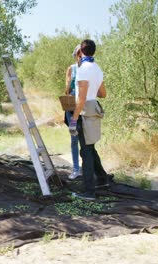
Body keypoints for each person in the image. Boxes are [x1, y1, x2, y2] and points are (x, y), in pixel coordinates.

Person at [68, 39, 110, 201]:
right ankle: (102, 179)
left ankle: (89, 192)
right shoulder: (97, 69)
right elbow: (103, 93)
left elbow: (81, 98)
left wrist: (74, 119)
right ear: (93, 51)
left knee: (85, 151)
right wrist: (92, 88)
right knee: (90, 147)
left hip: (84, 112)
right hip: (94, 110)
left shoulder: (83, 70)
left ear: (81, 51)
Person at [64, 44, 82, 180]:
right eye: (78, 54)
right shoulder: (72, 69)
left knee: (87, 140)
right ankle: (76, 169)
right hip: (72, 107)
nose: (80, 57)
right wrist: (69, 83)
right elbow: (67, 91)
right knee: (74, 139)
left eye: (82, 54)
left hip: (86, 108)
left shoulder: (90, 69)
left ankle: (87, 168)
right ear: (75, 55)